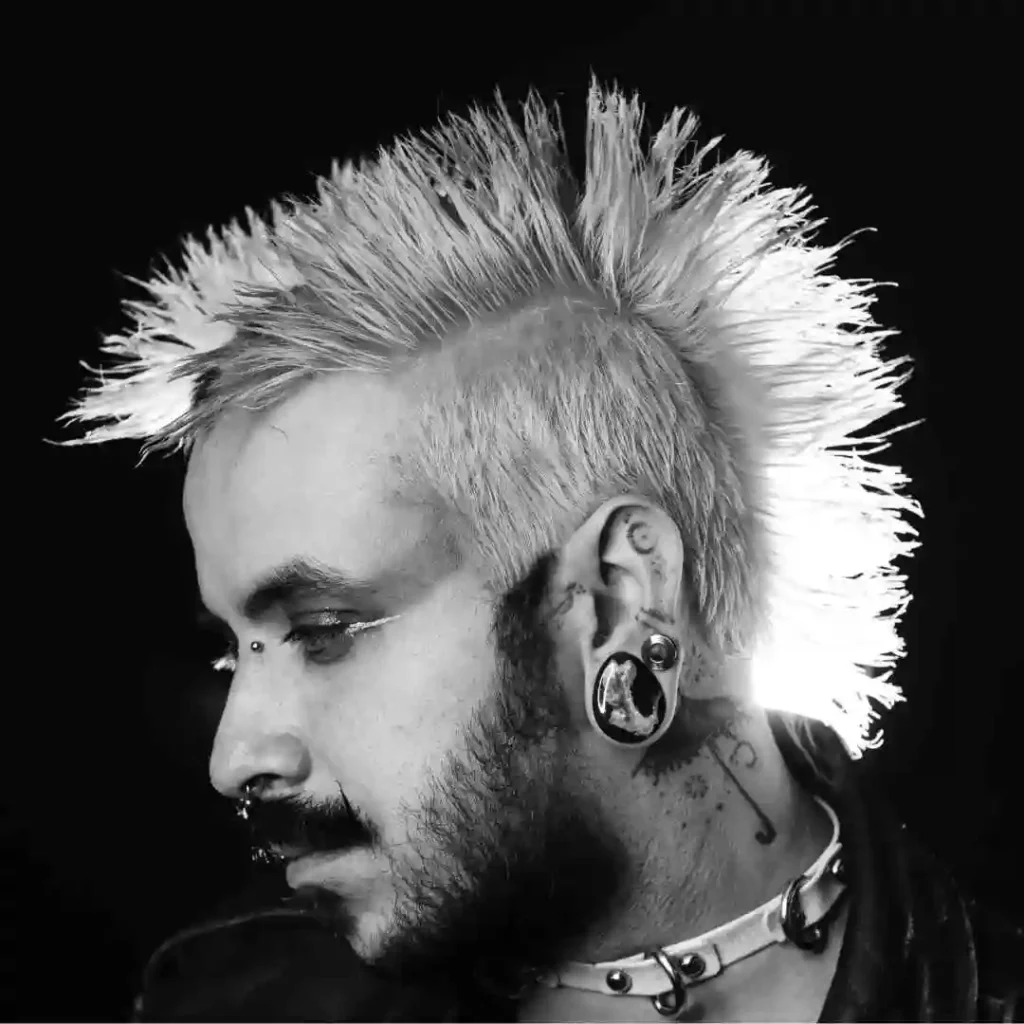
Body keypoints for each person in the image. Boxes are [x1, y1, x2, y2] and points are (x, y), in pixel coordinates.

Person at [54, 80, 1021, 1021]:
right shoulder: (230, 998)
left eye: (322, 630)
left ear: (619, 601)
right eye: (235, 649)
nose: (235, 756)